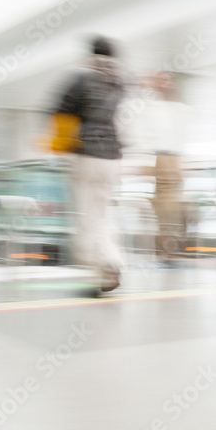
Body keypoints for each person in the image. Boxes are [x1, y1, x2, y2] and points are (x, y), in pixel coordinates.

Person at [56, 36, 127, 294]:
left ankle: (104, 264)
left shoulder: (81, 79)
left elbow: (61, 110)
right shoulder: (118, 82)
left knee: (88, 217)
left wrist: (60, 147)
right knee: (103, 215)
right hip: (112, 158)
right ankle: (110, 264)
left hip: (86, 155)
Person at [129, 71, 190, 265]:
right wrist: (147, 162)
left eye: (168, 80)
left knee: (173, 207)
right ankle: (166, 249)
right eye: (161, 80)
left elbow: (181, 137)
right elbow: (146, 136)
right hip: (161, 159)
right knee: (165, 208)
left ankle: (170, 247)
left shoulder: (180, 109)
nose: (165, 84)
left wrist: (181, 164)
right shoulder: (151, 108)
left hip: (173, 159)